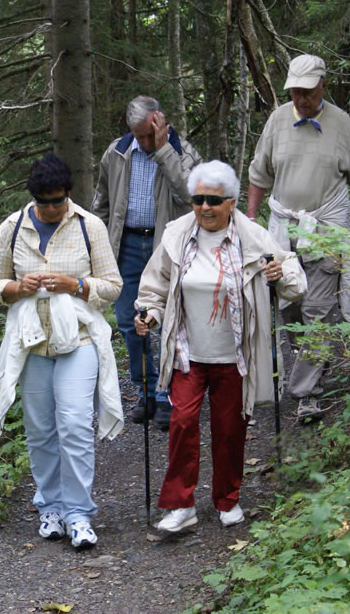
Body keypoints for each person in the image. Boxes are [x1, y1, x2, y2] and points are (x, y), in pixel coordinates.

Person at [134, 160, 306, 532]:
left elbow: (293, 279)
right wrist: (149, 313)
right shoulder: (177, 236)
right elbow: (154, 287)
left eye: (213, 200)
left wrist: (279, 274)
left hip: (235, 353)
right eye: (198, 200)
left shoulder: (253, 236)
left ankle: (228, 498)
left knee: (230, 428)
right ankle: (181, 505)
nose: (204, 207)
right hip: (187, 351)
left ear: (231, 202)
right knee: (181, 423)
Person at [0, 154, 124, 550]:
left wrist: (76, 285)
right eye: (43, 202)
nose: (50, 209)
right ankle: (50, 508)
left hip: (79, 341)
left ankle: (79, 514)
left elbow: (112, 285)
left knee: (75, 425)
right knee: (41, 430)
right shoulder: (13, 227)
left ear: (68, 194)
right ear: (33, 198)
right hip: (32, 344)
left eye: (58, 201)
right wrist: (18, 289)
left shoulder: (89, 226)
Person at [246, 54, 350, 421]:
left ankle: (307, 392)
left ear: (323, 85)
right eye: (295, 92)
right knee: (289, 307)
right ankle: (315, 365)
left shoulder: (342, 124)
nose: (300, 99)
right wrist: (251, 221)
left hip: (325, 230)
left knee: (318, 311)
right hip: (282, 232)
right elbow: (259, 174)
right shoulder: (278, 120)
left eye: (307, 91)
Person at [92, 95, 202, 430]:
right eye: (138, 135)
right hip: (126, 245)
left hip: (166, 247)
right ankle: (146, 391)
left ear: (160, 122)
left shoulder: (184, 153)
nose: (143, 141)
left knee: (169, 320)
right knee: (130, 323)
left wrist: (163, 149)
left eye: (148, 134)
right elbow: (102, 202)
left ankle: (167, 393)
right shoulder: (116, 152)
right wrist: (97, 246)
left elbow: (190, 196)